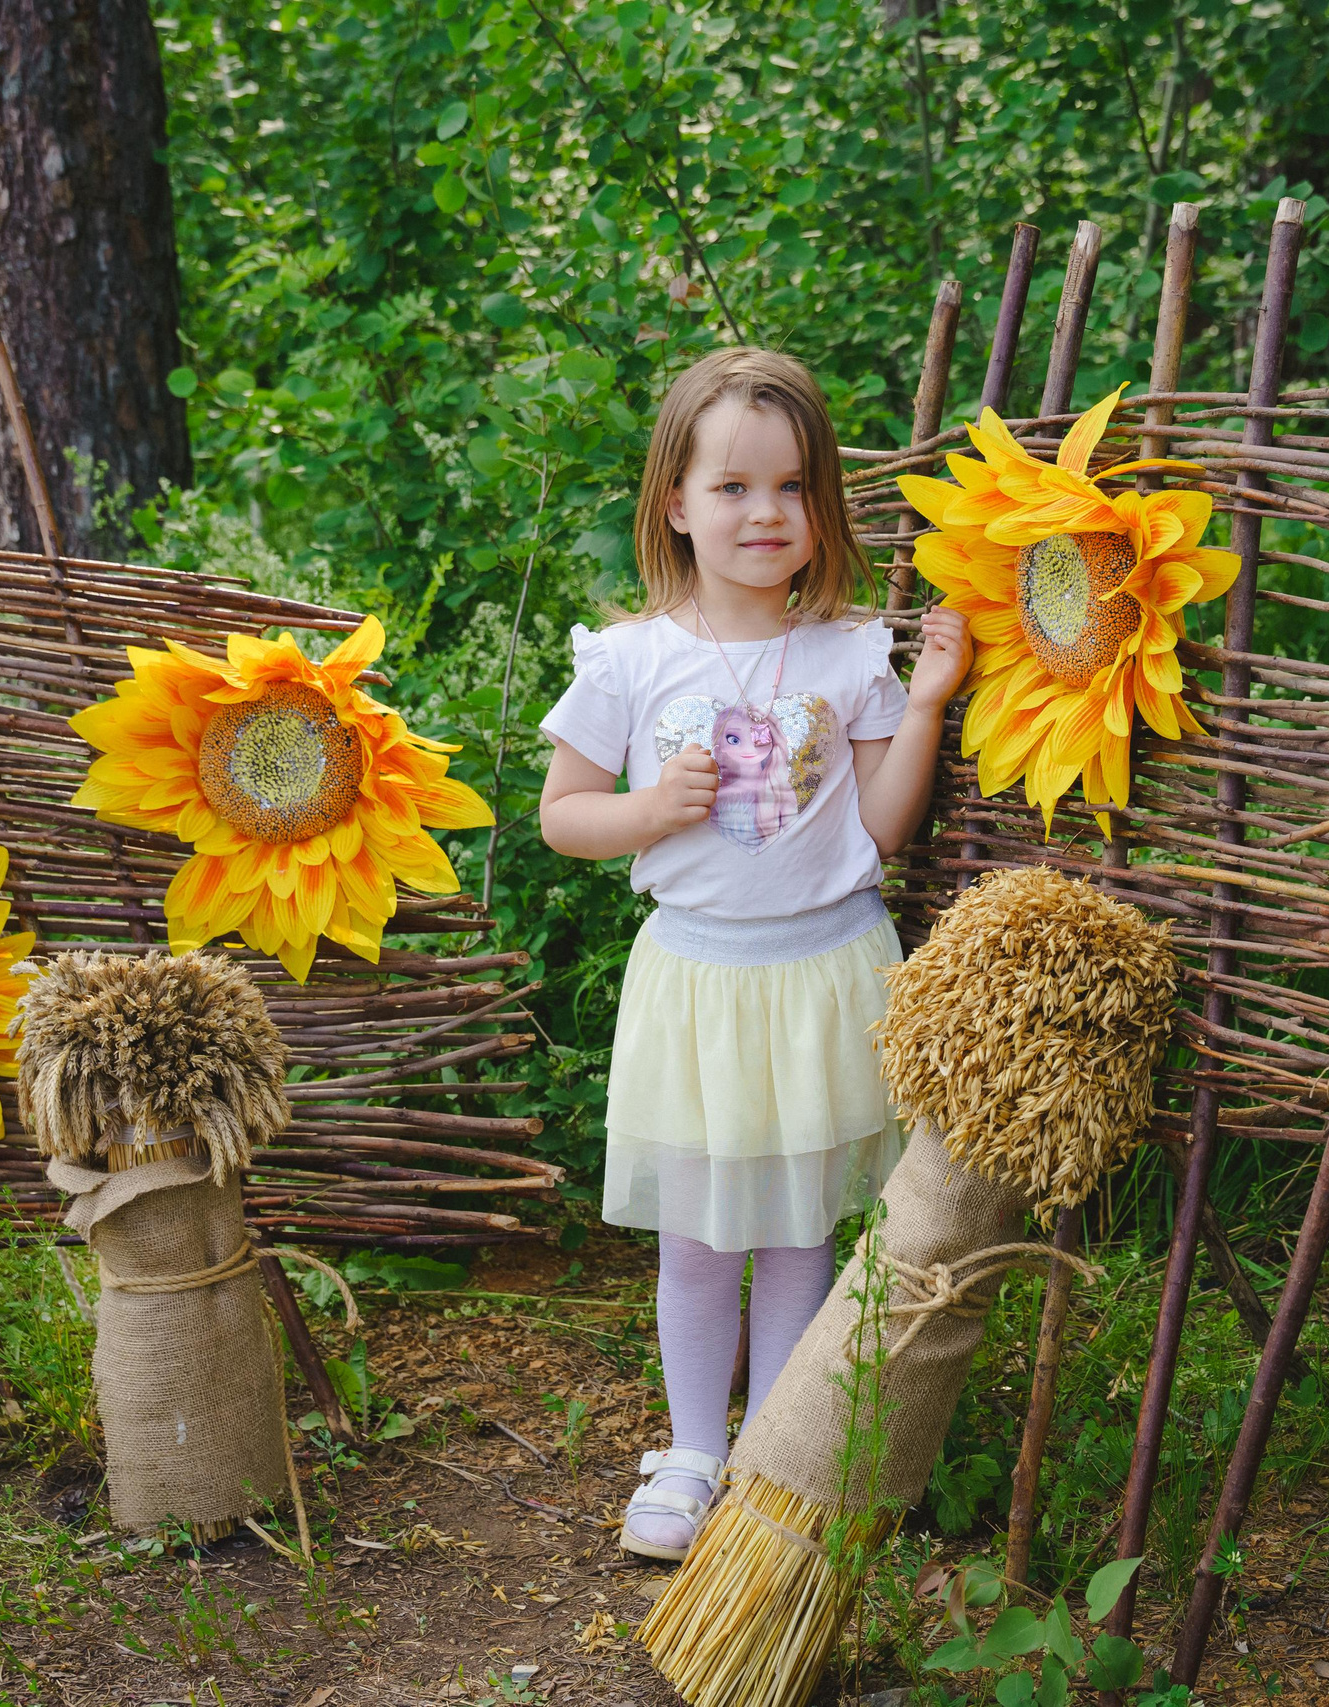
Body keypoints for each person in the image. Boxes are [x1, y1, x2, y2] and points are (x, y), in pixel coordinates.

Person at [538, 346, 970, 1560]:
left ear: (819, 504)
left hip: (828, 970)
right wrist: (647, 813)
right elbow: (563, 816)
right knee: (700, 1233)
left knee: (798, 1230)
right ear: (673, 502)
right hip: (699, 981)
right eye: (731, 487)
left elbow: (883, 829)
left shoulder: (847, 653)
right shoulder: (629, 659)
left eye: (790, 488)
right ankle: (690, 1451)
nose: (764, 513)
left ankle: (779, 1452)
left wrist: (926, 699)